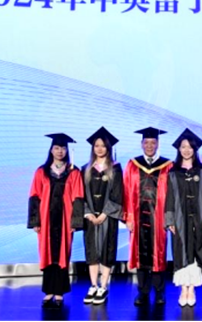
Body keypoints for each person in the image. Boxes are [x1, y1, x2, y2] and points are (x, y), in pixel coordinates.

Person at [27, 133, 84, 308]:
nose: (60, 151)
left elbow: (78, 197)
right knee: (47, 253)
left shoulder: (73, 172)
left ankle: (59, 292)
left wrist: (75, 222)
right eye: (57, 148)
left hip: (65, 219)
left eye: (63, 148)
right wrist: (35, 221)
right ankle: (48, 291)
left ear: (67, 150)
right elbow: (34, 196)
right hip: (46, 219)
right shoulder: (41, 171)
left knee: (62, 255)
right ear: (51, 150)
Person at [122, 127, 173, 306]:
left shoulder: (167, 165)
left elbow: (172, 194)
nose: (150, 146)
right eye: (146, 142)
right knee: (140, 254)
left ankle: (159, 292)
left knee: (159, 254)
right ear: (141, 144)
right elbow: (126, 191)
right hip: (137, 217)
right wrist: (128, 217)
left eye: (153, 143)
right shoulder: (132, 164)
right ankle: (143, 292)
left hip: (159, 217)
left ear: (158, 144)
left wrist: (169, 218)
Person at [165, 128, 202, 307]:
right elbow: (170, 197)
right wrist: (170, 220)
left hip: (199, 217)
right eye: (183, 147)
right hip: (179, 217)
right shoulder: (173, 172)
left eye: (190, 147)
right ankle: (183, 289)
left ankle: (191, 288)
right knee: (180, 250)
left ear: (195, 149)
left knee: (196, 249)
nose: (186, 150)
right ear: (179, 149)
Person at [81, 127, 123, 306]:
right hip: (90, 217)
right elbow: (80, 194)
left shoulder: (115, 168)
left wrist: (105, 213)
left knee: (107, 249)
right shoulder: (85, 169)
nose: (99, 149)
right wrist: (88, 213)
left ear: (108, 148)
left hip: (108, 217)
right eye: (96, 145)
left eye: (103, 146)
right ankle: (93, 285)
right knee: (92, 250)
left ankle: (103, 286)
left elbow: (118, 194)